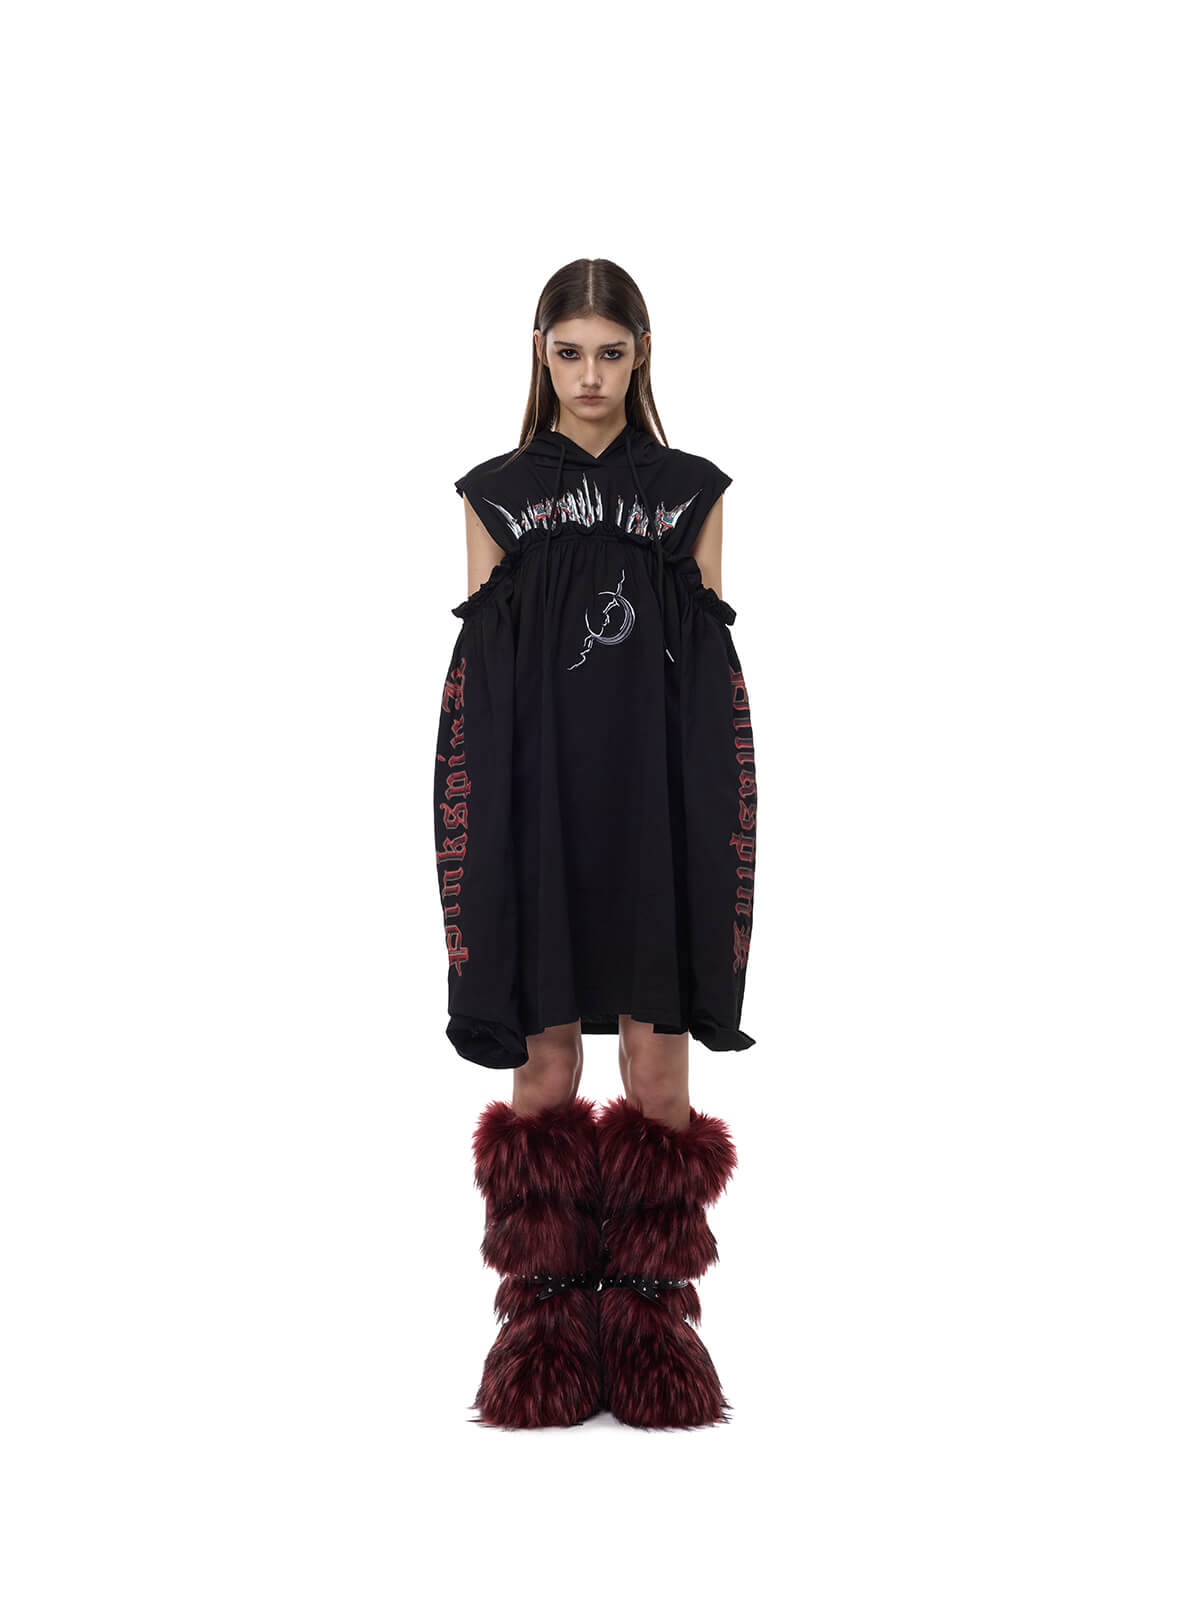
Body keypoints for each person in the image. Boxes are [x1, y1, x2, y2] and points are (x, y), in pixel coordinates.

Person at [432, 258, 758, 1431]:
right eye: (568, 352)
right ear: (540, 354)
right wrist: (490, 842)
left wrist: (705, 827)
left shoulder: (690, 494)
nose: (589, 376)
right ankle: (543, 1332)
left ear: (642, 355)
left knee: (659, 1067)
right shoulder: (495, 496)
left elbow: (707, 686)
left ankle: (654, 1329)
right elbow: (485, 689)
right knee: (546, 1064)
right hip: (540, 810)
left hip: (651, 811)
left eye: (610, 353)